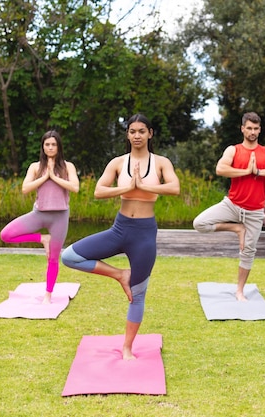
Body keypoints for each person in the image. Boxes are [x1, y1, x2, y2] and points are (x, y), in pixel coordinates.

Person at [61, 114, 180, 360]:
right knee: (69, 256)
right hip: (120, 229)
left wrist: (144, 187)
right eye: (132, 131)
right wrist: (127, 188)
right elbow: (98, 191)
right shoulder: (117, 163)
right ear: (127, 135)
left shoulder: (160, 162)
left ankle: (127, 347)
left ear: (150, 134)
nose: (137, 136)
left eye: (141, 131)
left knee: (137, 294)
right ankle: (119, 275)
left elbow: (174, 188)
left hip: (145, 234)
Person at [193, 112, 265, 301]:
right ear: (242, 128)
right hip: (232, 204)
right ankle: (237, 228)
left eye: (256, 129)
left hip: (254, 211)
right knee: (199, 223)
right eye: (249, 128)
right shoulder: (233, 150)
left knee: (248, 252)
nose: (252, 132)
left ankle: (239, 291)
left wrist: (259, 171)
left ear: (259, 130)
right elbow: (220, 169)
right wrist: (246, 171)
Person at [0, 130, 80, 304]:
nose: (50, 147)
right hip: (38, 214)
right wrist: (45, 177)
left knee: (53, 258)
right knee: (5, 235)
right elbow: (25, 188)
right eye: (47, 144)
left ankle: (48, 295)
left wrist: (54, 177)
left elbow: (75, 187)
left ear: (59, 147)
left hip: (59, 217)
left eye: (53, 144)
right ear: (43, 147)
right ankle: (42, 238)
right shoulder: (35, 167)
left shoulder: (68, 166)